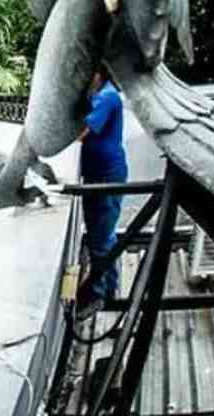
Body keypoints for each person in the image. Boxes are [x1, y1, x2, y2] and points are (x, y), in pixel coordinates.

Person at [78, 64, 128, 315]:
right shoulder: (99, 95)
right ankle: (108, 287)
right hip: (97, 174)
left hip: (107, 176)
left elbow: (82, 133)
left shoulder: (107, 96)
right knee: (101, 235)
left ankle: (102, 295)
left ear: (98, 74)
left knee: (101, 237)